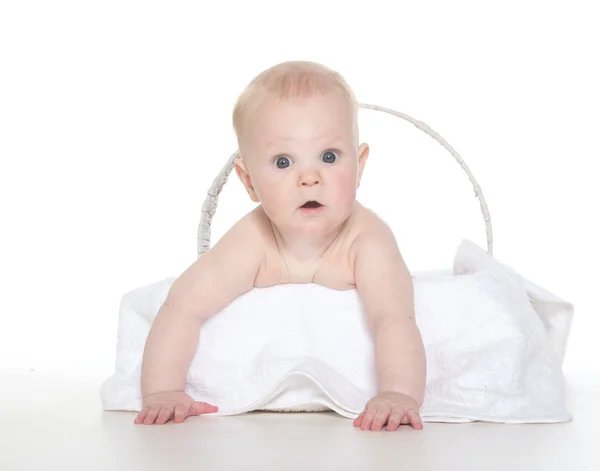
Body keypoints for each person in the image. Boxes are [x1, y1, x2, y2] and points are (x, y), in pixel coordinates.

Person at [134, 61, 426, 432]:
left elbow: (394, 318)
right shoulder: (250, 242)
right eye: (283, 162)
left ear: (360, 164)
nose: (309, 178)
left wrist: (399, 393)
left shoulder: (368, 241)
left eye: (330, 156)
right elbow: (181, 306)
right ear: (249, 182)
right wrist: (162, 391)